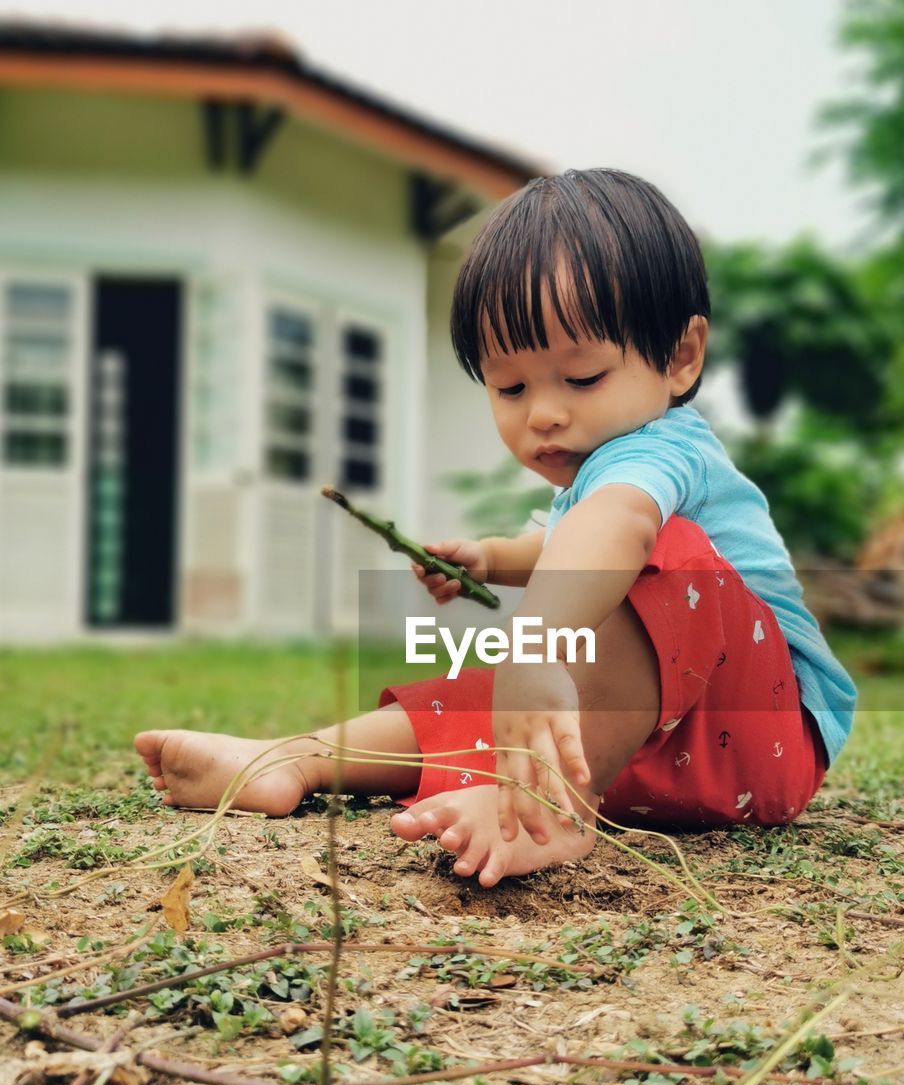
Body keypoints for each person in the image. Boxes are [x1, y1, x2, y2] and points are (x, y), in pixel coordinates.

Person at [136, 168, 856, 888]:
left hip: (769, 732)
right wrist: (489, 559)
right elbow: (563, 547)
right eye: (510, 387)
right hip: (657, 747)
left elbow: (620, 528)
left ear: (680, 358)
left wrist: (535, 645)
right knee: (485, 697)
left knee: (657, 563)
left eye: (581, 378)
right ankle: (293, 758)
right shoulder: (597, 487)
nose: (543, 412)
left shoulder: (663, 455)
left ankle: (550, 807)